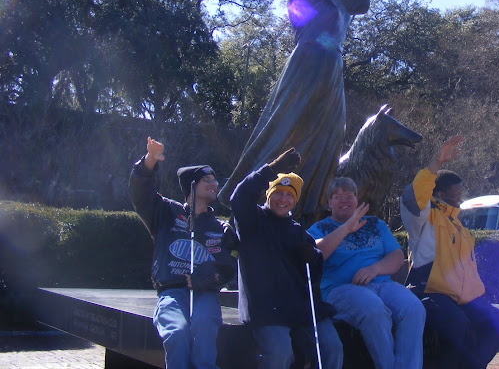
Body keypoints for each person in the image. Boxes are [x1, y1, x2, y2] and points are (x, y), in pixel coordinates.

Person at [219, 0, 417, 223]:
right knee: (287, 133)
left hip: (332, 69)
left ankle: (308, 210)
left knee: (327, 141)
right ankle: (251, 200)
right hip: (309, 64)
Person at [128, 137, 238, 369]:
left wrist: (210, 279)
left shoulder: (222, 228)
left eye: (214, 179)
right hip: (171, 293)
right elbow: (140, 192)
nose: (213, 183)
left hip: (205, 294)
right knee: (177, 334)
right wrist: (150, 160)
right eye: (205, 180)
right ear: (190, 186)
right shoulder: (166, 212)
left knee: (204, 329)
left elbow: (228, 267)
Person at [228, 148, 343, 369]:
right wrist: (272, 169)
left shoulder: (298, 231)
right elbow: (239, 196)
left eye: (290, 195)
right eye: (278, 193)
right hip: (266, 308)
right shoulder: (252, 219)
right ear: (269, 195)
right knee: (280, 354)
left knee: (332, 347)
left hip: (300, 306)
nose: (283, 199)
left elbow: (315, 274)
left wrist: (313, 257)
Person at [400, 135, 499, 369]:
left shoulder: (458, 223)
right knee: (458, 327)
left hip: (461, 297)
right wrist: (437, 162)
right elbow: (415, 193)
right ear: (440, 194)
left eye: (460, 193)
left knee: (495, 322)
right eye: (455, 194)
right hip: (429, 292)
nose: (460, 197)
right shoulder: (423, 217)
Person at [307, 177, 425, 369]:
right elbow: (316, 253)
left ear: (356, 198)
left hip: (383, 285)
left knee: (413, 308)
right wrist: (347, 228)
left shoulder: (375, 224)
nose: (344, 199)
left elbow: (396, 256)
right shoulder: (319, 228)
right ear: (329, 203)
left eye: (349, 195)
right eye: (337, 196)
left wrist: (375, 268)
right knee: (374, 310)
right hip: (341, 289)